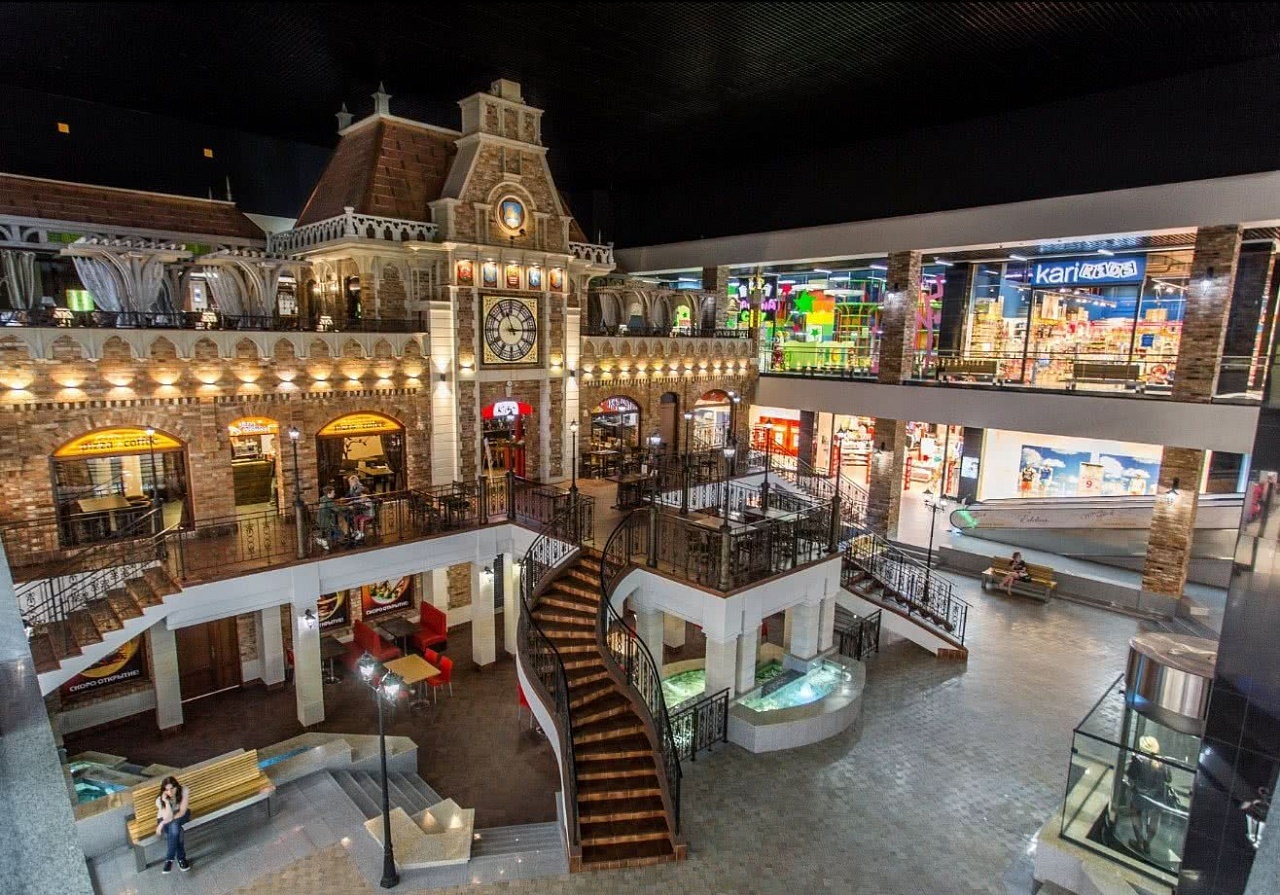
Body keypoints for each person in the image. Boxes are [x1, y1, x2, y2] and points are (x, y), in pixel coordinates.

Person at [1125, 735, 1173, 854]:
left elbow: (1131, 775)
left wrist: (1132, 761)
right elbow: (1169, 779)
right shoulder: (1162, 761)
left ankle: (1139, 842)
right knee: (1155, 820)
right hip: (1157, 797)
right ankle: (1148, 843)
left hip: (1141, 795)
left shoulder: (1138, 759)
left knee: (1135, 813)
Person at [155, 775, 191, 873]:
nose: (170, 792)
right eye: (166, 790)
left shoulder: (183, 790)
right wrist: (166, 802)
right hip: (165, 818)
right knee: (178, 830)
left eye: (172, 788)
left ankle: (169, 859)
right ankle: (181, 858)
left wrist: (161, 824)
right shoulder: (160, 800)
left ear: (176, 787)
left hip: (181, 815)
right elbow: (167, 817)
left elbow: (182, 812)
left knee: (174, 826)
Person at [315, 486, 341, 551]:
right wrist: (348, 507)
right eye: (333, 493)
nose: (334, 494)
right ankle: (328, 543)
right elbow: (337, 509)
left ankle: (325, 540)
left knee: (336, 530)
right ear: (328, 494)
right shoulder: (329, 501)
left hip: (319, 520)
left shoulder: (323, 499)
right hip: (325, 522)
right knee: (338, 532)